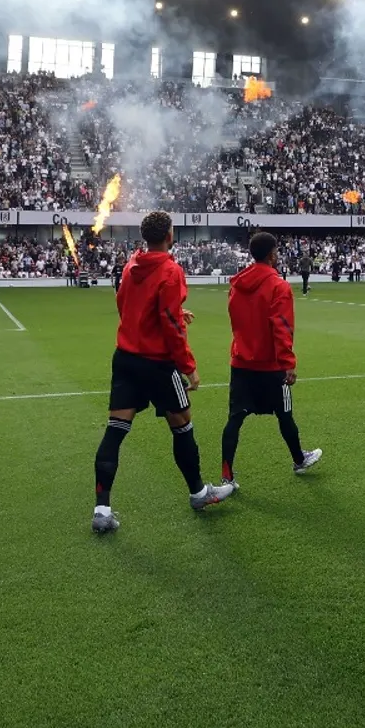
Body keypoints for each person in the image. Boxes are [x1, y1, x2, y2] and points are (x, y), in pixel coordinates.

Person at [92, 210, 235, 534]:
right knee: (182, 424)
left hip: (125, 357)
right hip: (157, 362)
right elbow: (171, 328)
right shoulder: (170, 271)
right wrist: (189, 368)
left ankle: (102, 509)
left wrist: (168, 314)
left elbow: (126, 304)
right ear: (169, 235)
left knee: (115, 430)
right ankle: (199, 492)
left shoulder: (132, 265)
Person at [220, 232, 322, 486]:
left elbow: (236, 320)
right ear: (272, 254)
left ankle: (227, 475)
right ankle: (299, 459)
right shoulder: (279, 286)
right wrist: (288, 363)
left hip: (242, 361)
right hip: (270, 365)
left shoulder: (237, 284)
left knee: (235, 418)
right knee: (285, 414)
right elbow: (282, 327)